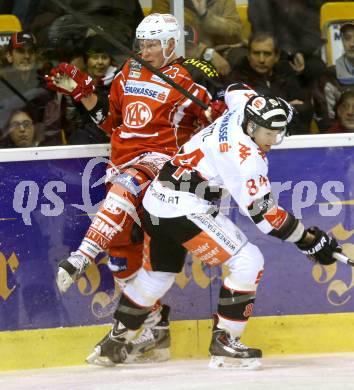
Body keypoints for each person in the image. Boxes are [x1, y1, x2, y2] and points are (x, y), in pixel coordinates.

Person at [89, 83, 343, 369]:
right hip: (181, 206)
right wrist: (309, 239)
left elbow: (235, 87)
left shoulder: (244, 105)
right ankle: (225, 342)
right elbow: (266, 218)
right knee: (249, 261)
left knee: (157, 275)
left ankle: (114, 342)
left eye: (279, 133)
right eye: (268, 133)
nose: (272, 140)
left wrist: (218, 100)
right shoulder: (245, 159)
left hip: (156, 199)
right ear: (251, 126)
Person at [45, 13, 219, 364]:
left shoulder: (194, 77)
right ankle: (155, 328)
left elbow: (217, 131)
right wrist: (83, 94)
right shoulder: (130, 70)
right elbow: (111, 122)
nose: (145, 50)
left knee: (125, 187)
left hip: (162, 167)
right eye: (142, 43)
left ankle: (80, 257)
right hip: (122, 161)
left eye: (152, 44)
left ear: (172, 44)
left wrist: (219, 114)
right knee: (122, 253)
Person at [223, 31, 313, 134]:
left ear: (277, 56)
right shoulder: (236, 80)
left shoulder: (286, 74)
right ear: (248, 55)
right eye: (256, 53)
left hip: (287, 139)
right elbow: (243, 115)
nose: (261, 60)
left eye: (267, 54)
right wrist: (285, 107)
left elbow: (303, 107)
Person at [151, 0, 243, 76]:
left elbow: (235, 30)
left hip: (221, 51)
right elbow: (158, 33)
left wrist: (205, 15)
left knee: (241, 60)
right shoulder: (166, 2)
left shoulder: (223, 2)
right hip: (186, 54)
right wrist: (206, 52)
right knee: (196, 71)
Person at [248, 0, 326, 87]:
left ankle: (309, 99)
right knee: (283, 66)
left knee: (316, 67)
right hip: (271, 50)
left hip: (300, 51)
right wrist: (289, 52)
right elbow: (262, 32)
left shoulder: (307, 3)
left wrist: (299, 51)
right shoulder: (259, 3)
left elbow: (312, 34)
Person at [312, 22, 354, 131]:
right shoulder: (328, 77)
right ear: (342, 41)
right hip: (340, 141)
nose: (352, 44)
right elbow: (326, 122)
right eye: (347, 38)